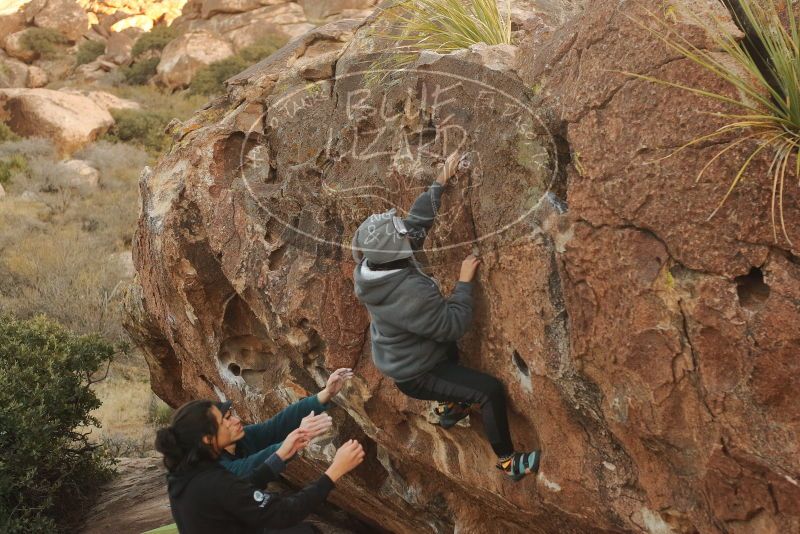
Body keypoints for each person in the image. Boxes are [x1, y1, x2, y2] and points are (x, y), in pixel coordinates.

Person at [350, 152, 541, 481]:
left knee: (451, 353)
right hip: (418, 373)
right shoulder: (408, 292)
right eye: (398, 234)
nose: (405, 232)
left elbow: (416, 225)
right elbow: (454, 323)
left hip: (413, 351)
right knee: (488, 390)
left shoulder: (373, 265)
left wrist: (439, 182)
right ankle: (509, 462)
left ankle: (451, 407)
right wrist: (465, 283)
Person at [155, 399, 365, 534]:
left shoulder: (186, 475)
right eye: (223, 421)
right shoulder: (214, 482)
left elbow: (240, 487)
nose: (232, 421)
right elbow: (283, 513)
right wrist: (334, 472)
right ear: (208, 439)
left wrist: (282, 454)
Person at [220, 368, 354, 478]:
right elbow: (245, 470)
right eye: (226, 419)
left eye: (230, 415)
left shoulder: (242, 439)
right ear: (207, 436)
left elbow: (277, 426)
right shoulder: (212, 469)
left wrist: (326, 393)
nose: (236, 420)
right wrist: (293, 440)